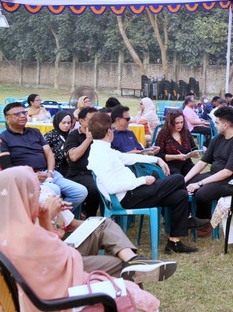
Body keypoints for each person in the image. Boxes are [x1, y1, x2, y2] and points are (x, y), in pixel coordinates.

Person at [0, 167, 194, 312]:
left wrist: (42, 218)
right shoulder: (30, 236)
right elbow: (67, 258)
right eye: (34, 192)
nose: (39, 195)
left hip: (37, 299)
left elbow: (51, 259)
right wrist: (47, 218)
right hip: (56, 309)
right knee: (138, 297)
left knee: (126, 279)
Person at [0, 152, 176, 283]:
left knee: (101, 223)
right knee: (120, 267)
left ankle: (134, 260)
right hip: (45, 267)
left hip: (51, 253)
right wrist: (47, 217)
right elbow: (16, 255)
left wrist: (49, 215)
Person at [87, 113, 206, 254]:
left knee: (180, 195)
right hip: (127, 198)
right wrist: (142, 180)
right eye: (112, 129)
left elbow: (127, 157)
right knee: (178, 179)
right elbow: (111, 187)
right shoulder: (101, 155)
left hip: (133, 192)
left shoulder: (103, 149)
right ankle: (188, 219)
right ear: (109, 132)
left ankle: (174, 241)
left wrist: (157, 160)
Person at [0, 102, 88, 212]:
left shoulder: (35, 132)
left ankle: (59, 218)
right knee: (54, 190)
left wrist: (50, 172)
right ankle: (54, 219)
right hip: (26, 178)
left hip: (48, 173)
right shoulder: (3, 138)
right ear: (7, 118)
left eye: (24, 113)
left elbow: (49, 153)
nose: (22, 116)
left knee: (80, 191)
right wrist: (32, 176)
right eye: (17, 114)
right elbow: (7, 168)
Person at [184, 106, 233, 221]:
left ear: (225, 125)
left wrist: (200, 183)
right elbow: (201, 163)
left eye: (217, 123)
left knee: (201, 193)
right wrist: (184, 180)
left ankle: (204, 222)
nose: (215, 125)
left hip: (230, 181)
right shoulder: (217, 139)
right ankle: (188, 216)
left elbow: (227, 172)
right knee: (186, 184)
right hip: (214, 174)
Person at [64, 107, 103, 218]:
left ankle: (112, 214)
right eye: (92, 119)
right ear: (81, 121)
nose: (96, 122)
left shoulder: (101, 135)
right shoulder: (74, 135)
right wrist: (88, 140)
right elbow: (73, 157)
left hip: (98, 171)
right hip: (79, 173)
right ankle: (90, 217)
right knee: (94, 189)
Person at [155, 111, 199, 176]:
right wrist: (176, 157)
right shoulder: (163, 134)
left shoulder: (186, 132)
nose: (180, 125)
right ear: (170, 123)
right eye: (177, 123)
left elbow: (194, 147)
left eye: (182, 122)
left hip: (186, 163)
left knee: (195, 175)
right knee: (178, 177)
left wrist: (195, 153)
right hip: (169, 164)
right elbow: (159, 155)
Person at [44, 111, 73, 175]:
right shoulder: (50, 136)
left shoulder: (71, 136)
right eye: (63, 123)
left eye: (69, 123)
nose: (66, 125)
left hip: (70, 169)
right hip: (54, 170)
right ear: (57, 122)